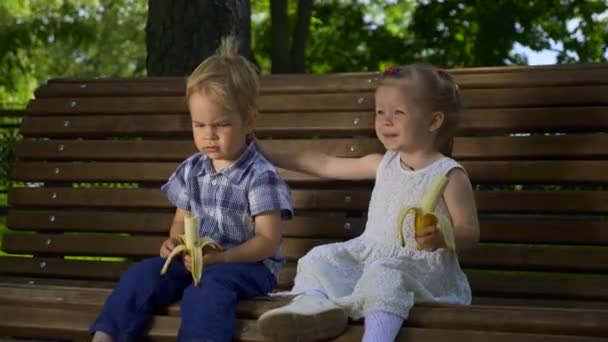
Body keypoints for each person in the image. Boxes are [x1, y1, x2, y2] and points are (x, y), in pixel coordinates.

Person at [89, 36, 293, 342]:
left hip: (248, 267)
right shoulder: (192, 169)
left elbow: (267, 241)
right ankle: (107, 337)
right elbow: (180, 221)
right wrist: (173, 243)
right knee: (143, 274)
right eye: (199, 125)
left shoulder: (260, 175)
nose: (209, 136)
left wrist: (222, 258)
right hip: (197, 261)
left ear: (248, 121)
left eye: (220, 125)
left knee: (207, 288)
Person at [257, 63, 479, 342]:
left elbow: (470, 231)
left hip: (423, 270)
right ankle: (311, 310)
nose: (385, 121)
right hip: (373, 256)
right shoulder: (383, 164)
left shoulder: (448, 174)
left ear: (434, 121)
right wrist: (268, 154)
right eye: (379, 112)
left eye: (398, 113)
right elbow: (325, 164)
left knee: (384, 274)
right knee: (320, 257)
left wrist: (443, 237)